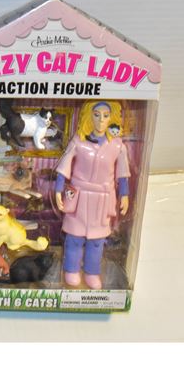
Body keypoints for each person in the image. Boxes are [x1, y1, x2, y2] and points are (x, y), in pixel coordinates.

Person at [55, 100, 130, 289]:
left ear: (112, 118)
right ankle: (71, 269)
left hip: (102, 198)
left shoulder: (118, 146)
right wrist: (58, 189)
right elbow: (64, 166)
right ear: (89, 116)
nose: (101, 120)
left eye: (106, 115)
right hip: (79, 196)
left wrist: (124, 195)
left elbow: (123, 174)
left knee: (97, 241)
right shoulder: (78, 141)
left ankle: (91, 272)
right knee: (74, 237)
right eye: (96, 115)